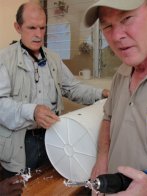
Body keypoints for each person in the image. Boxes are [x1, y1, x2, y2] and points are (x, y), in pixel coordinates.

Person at [0, 2, 109, 179]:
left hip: (52, 138)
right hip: (19, 146)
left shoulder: (53, 58)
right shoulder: (4, 59)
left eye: (42, 28)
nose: (38, 34)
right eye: (32, 27)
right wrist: (32, 111)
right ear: (17, 27)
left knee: (51, 185)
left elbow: (72, 88)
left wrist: (101, 94)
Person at [84, 0, 147, 195]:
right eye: (107, 26)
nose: (116, 36)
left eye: (127, 18)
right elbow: (108, 117)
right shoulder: (120, 75)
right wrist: (102, 157)